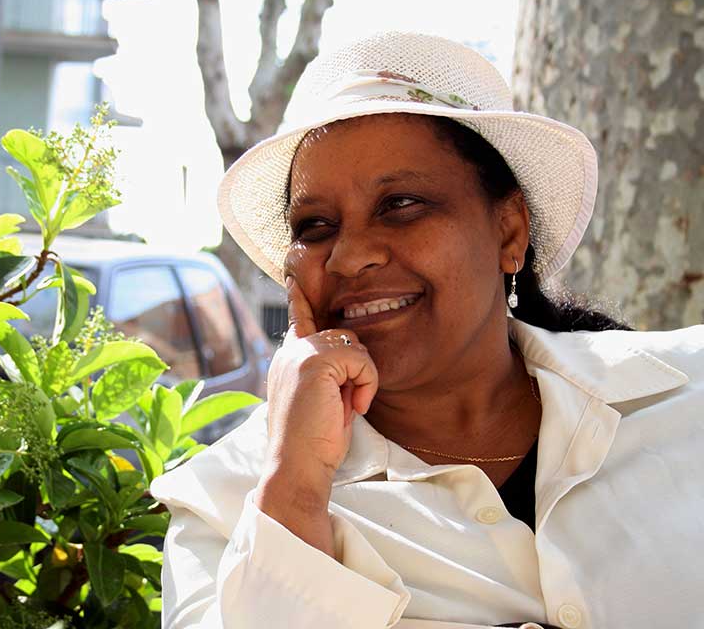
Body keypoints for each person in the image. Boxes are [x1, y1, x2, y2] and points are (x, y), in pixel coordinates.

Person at [150, 31, 704, 629]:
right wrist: (296, 491)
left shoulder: (686, 394)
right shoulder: (225, 502)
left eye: (402, 204)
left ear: (510, 231)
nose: (349, 256)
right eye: (315, 225)